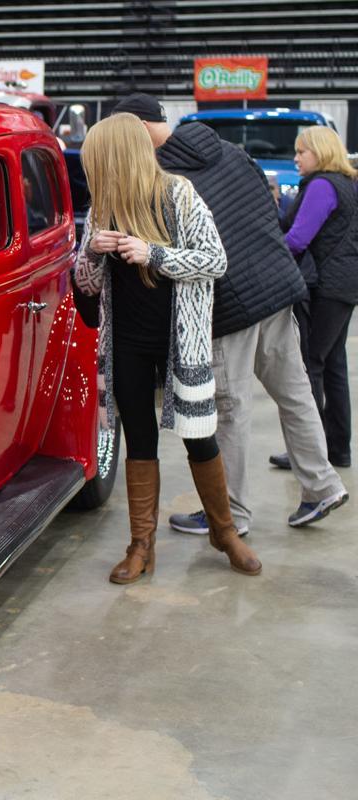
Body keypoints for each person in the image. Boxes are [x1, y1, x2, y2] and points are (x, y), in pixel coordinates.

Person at [107, 93, 348, 534]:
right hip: (278, 287)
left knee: (228, 410)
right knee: (295, 394)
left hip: (230, 303)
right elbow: (271, 211)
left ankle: (231, 516)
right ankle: (322, 486)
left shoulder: (167, 177)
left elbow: (176, 251)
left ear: (138, 129)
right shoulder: (234, 153)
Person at [75, 112, 261, 583]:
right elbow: (86, 283)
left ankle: (224, 532)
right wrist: (94, 251)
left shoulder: (179, 194)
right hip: (127, 344)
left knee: (200, 436)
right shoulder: (101, 208)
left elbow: (214, 259)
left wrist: (153, 253)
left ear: (115, 156)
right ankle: (141, 546)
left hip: (183, 341)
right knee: (139, 439)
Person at [272, 126, 358, 470]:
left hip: (326, 287)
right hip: (344, 285)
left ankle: (311, 453)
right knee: (333, 364)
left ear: (319, 152)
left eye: (301, 151)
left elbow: (296, 240)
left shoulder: (322, 185)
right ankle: (337, 449)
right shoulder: (348, 183)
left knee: (313, 366)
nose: (295, 158)